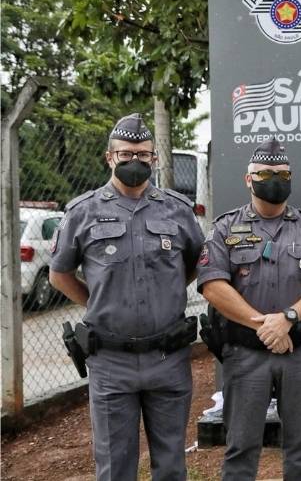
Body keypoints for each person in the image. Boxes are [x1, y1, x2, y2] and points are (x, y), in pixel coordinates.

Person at [49, 114, 204, 481]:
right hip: (111, 362)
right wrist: (97, 302)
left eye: (143, 154)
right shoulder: (82, 212)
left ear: (155, 158)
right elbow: (59, 274)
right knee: (115, 468)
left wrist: (167, 290)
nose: (135, 160)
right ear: (109, 157)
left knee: (170, 466)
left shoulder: (177, 209)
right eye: (126, 154)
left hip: (168, 357)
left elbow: (198, 263)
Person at [197, 139, 301, 481]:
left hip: (300, 352)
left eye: (281, 173)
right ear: (249, 179)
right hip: (245, 355)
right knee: (241, 449)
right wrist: (265, 325)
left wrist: (288, 319)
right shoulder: (224, 228)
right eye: (264, 172)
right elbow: (213, 285)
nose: (274, 179)